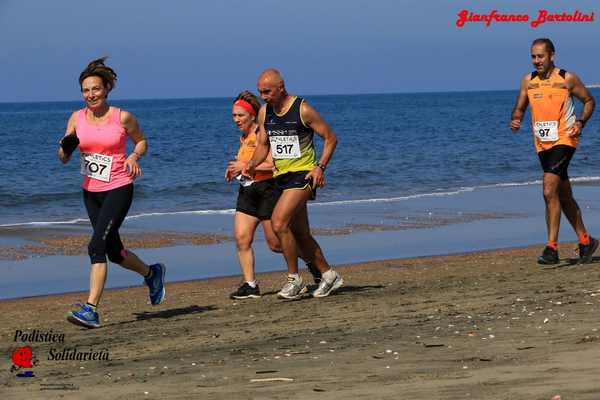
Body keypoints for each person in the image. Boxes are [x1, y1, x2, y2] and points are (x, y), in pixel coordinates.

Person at [58, 58, 166, 328]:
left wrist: (133, 156)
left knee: (96, 246)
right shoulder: (76, 118)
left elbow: (142, 141)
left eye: (95, 89)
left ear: (106, 89)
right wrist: (67, 147)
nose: (90, 95)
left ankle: (91, 309)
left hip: (118, 187)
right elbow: (63, 157)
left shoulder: (122, 117)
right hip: (90, 191)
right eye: (85, 90)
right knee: (115, 252)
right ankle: (152, 273)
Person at [244, 68, 343, 299]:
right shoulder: (264, 113)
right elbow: (263, 145)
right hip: (281, 178)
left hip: (303, 176)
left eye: (267, 91)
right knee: (301, 234)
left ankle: (294, 279)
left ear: (281, 87)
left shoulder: (303, 110)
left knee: (279, 223)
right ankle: (329, 275)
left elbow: (330, 138)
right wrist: (250, 165)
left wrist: (320, 167)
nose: (264, 96)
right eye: (260, 92)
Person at [226, 91, 321, 299]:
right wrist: (237, 170)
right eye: (234, 115)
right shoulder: (243, 137)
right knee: (242, 238)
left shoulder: (264, 132)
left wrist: (246, 165)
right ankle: (250, 285)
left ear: (252, 115)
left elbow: (274, 165)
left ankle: (313, 263)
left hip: (269, 190)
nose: (236, 120)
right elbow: (247, 165)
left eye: (240, 115)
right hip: (248, 192)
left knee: (276, 244)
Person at [510, 38, 596, 265]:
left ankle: (551, 248)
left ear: (552, 56)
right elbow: (519, 106)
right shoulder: (528, 81)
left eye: (541, 56)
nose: (537, 61)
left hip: (565, 139)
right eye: (533, 56)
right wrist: (516, 119)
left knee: (549, 190)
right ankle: (586, 241)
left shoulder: (566, 78)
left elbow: (589, 100)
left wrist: (581, 122)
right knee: (564, 195)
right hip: (542, 145)